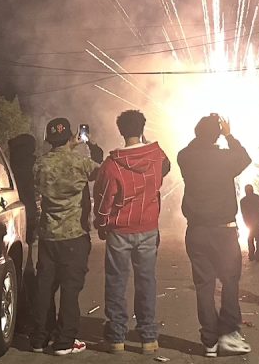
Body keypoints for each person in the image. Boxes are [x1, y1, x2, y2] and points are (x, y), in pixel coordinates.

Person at [93, 110, 171, 355]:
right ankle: (149, 337)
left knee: (117, 282)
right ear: (143, 129)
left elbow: (104, 200)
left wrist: (102, 224)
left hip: (120, 230)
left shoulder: (112, 165)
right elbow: (165, 166)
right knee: (146, 281)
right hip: (148, 228)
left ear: (120, 131)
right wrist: (147, 144)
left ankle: (117, 338)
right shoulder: (156, 156)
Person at [178, 114, 253, 357]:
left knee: (204, 286)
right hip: (224, 231)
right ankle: (229, 335)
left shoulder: (185, 157)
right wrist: (228, 134)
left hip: (197, 230)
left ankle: (209, 341)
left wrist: (207, 132)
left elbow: (193, 146)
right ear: (216, 135)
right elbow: (245, 158)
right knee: (230, 282)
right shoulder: (225, 158)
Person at [31, 117, 98, 356]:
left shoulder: (40, 164)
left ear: (48, 139)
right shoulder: (81, 162)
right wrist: (90, 146)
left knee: (44, 287)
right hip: (74, 235)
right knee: (71, 288)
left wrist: (66, 147)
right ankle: (65, 340)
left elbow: (41, 183)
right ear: (71, 136)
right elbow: (100, 173)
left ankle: (39, 338)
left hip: (48, 235)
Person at [8, 133, 38, 335]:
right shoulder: (27, 169)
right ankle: (27, 317)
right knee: (26, 272)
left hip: (15, 223)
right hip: (22, 223)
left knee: (21, 271)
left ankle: (24, 316)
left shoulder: (10, 168)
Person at [239, 184, 259, 262]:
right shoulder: (258, 198)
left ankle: (251, 254)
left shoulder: (243, 201)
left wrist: (247, 223)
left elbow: (243, 214)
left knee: (250, 239)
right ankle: (257, 254)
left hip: (250, 224)